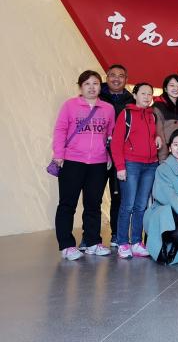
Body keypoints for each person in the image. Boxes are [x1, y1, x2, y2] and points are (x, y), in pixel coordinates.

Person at [53, 70, 115, 260]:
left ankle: (92, 242)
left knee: (93, 204)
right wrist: (58, 153)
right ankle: (66, 245)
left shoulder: (108, 108)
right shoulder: (70, 105)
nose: (91, 87)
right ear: (80, 87)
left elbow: (110, 135)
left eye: (95, 83)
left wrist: (109, 156)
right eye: (87, 84)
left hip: (98, 163)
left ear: (100, 87)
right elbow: (60, 129)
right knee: (67, 204)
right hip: (72, 161)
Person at [110, 82, 161, 259]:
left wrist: (157, 138)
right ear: (135, 95)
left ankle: (137, 242)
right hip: (131, 164)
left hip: (151, 165)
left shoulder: (152, 115)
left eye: (149, 94)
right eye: (143, 93)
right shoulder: (126, 114)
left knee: (141, 206)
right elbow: (116, 143)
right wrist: (120, 167)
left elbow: (150, 135)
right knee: (128, 205)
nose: (147, 97)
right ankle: (123, 242)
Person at [143, 130, 178, 265]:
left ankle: (174, 247)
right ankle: (162, 243)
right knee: (170, 217)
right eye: (175, 144)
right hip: (164, 212)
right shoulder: (162, 169)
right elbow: (169, 196)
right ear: (169, 148)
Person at [99, 64, 134, 248]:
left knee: (118, 197)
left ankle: (115, 234)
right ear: (106, 77)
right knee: (94, 196)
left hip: (120, 155)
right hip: (97, 154)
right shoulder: (97, 96)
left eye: (121, 76)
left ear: (126, 79)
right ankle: (91, 238)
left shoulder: (131, 101)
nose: (116, 79)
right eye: (112, 75)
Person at [154, 74, 178, 162]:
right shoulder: (158, 106)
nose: (176, 88)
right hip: (164, 155)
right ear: (165, 88)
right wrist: (163, 158)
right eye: (172, 85)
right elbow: (159, 132)